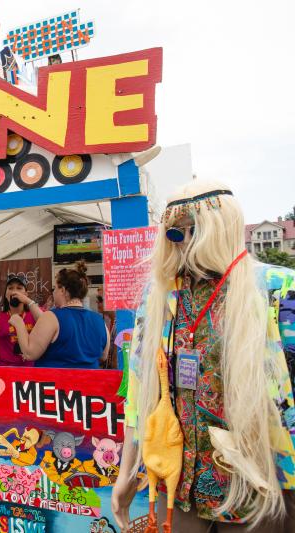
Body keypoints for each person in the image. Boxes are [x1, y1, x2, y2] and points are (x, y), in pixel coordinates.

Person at [112, 181, 295, 533]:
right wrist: (127, 469)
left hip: (258, 487)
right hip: (179, 488)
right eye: (173, 231)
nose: (179, 239)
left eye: (190, 229)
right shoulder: (160, 295)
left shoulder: (276, 289)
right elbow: (139, 389)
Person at [10, 261, 109, 368]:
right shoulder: (99, 320)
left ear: (63, 290)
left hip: (57, 383)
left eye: (55, 288)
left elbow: (29, 353)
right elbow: (103, 356)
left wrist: (19, 323)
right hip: (88, 382)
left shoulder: (52, 317)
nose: (53, 292)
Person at [0, 273, 43, 366]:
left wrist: (28, 301)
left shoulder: (34, 313)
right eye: (10, 288)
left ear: (26, 294)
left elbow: (47, 325)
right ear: (5, 294)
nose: (14, 292)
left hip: (31, 369)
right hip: (6, 369)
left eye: (19, 288)